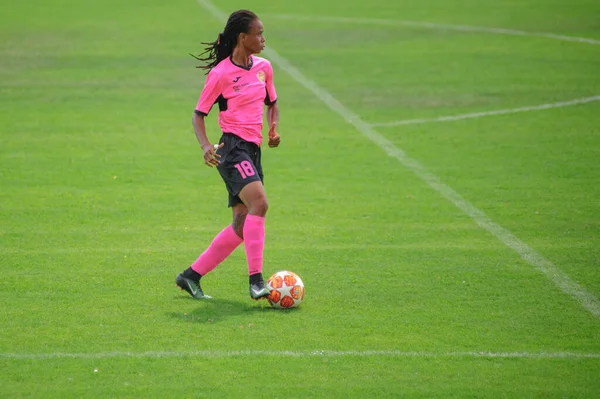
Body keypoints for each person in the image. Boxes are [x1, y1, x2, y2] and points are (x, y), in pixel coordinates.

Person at [176, 10, 281, 300]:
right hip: (232, 149)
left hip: (253, 150)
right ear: (242, 37)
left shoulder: (264, 68)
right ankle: (256, 281)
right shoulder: (221, 74)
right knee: (260, 203)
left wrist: (273, 128)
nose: (262, 39)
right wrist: (206, 146)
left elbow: (272, 103)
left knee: (241, 223)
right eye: (258, 34)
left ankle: (190, 276)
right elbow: (198, 115)